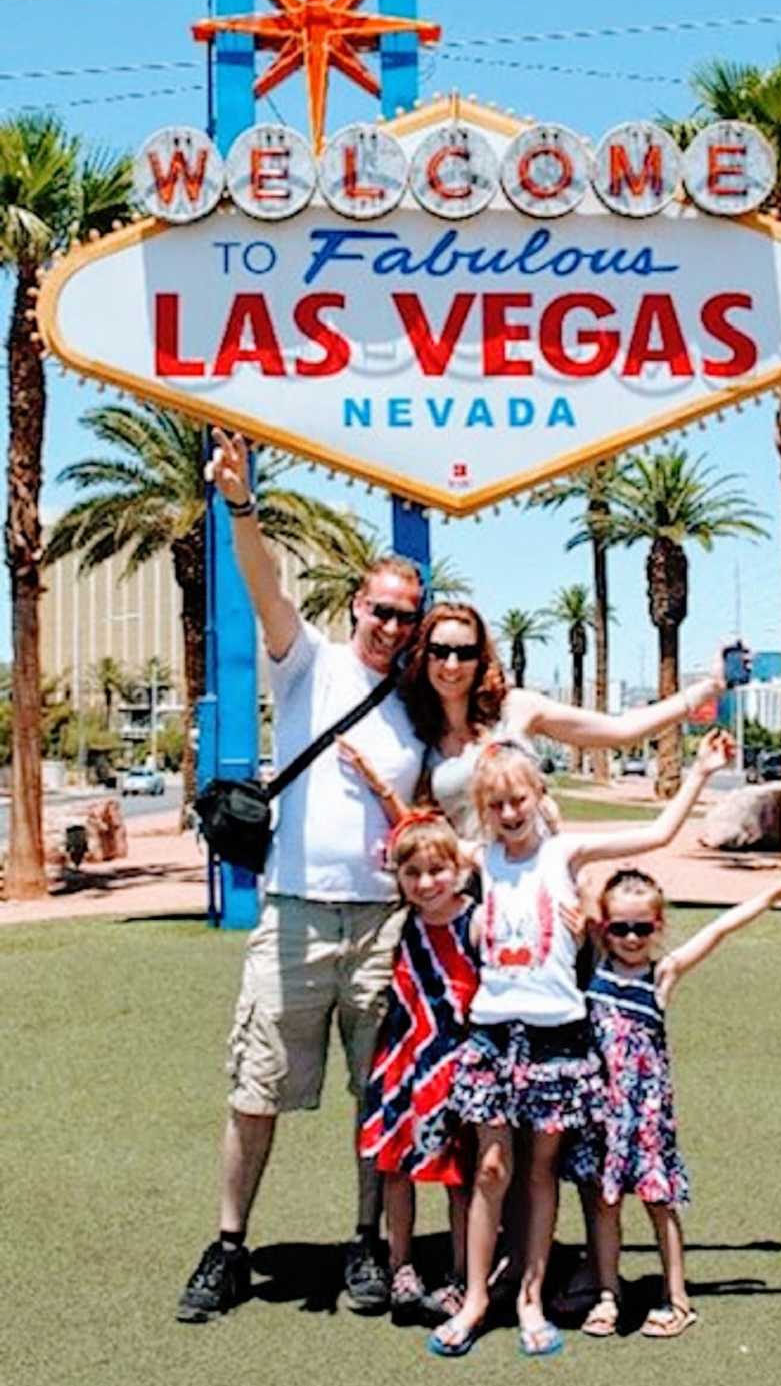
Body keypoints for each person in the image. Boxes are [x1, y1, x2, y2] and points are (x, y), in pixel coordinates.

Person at [177, 429, 426, 1324]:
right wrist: (240, 503)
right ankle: (230, 1245)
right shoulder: (308, 662)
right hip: (293, 915)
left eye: (408, 615)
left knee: (382, 1095)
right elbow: (263, 585)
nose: (392, 626)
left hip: (385, 927)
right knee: (255, 1089)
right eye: (382, 610)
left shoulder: (418, 705)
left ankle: (367, 1240)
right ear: (356, 604)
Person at [427, 730, 733, 1359]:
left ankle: (531, 1298)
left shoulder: (565, 853)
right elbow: (417, 850)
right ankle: (479, 1297)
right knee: (490, 1169)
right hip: (492, 1033)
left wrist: (700, 773)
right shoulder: (481, 860)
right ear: (484, 810)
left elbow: (655, 835)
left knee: (542, 1173)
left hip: (556, 1036)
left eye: (518, 799)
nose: (509, 814)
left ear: (540, 794)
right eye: (496, 805)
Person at [579, 865, 781, 1342]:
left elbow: (719, 929)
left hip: (645, 1115)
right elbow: (576, 880)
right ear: (604, 927)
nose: (629, 936)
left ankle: (677, 1298)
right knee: (603, 1204)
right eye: (619, 927)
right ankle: (607, 1292)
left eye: (641, 927)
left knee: (658, 1203)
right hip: (601, 1113)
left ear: (657, 927)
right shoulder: (595, 966)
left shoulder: (661, 974)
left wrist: (769, 894)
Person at [400, 602, 727, 837]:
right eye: (439, 651)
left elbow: (620, 730)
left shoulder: (515, 708)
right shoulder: (413, 728)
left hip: (537, 881)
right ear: (422, 655)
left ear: (481, 658)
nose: (452, 665)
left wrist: (704, 691)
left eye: (465, 653)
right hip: (468, 896)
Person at [358, 811, 479, 1325]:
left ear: (458, 868)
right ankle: (401, 1265)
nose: (426, 883)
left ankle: (461, 1273)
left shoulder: (478, 920)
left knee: (461, 1178)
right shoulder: (399, 923)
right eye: (413, 874)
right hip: (404, 1060)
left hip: (460, 1064)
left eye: (437, 871)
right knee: (395, 1169)